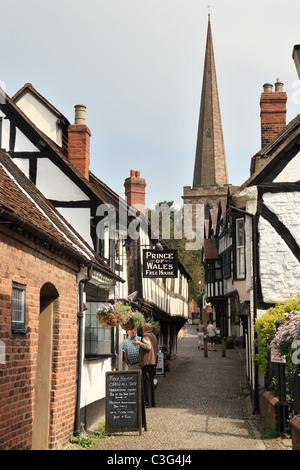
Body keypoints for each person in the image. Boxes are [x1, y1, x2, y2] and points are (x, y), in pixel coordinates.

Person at [133, 323, 158, 408]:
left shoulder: (146, 336)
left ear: (145, 329)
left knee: (146, 384)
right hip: (153, 362)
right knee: (151, 383)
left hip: (147, 362)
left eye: (143, 328)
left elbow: (148, 347)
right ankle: (153, 403)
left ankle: (147, 403)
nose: (142, 329)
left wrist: (139, 343)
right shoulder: (154, 336)